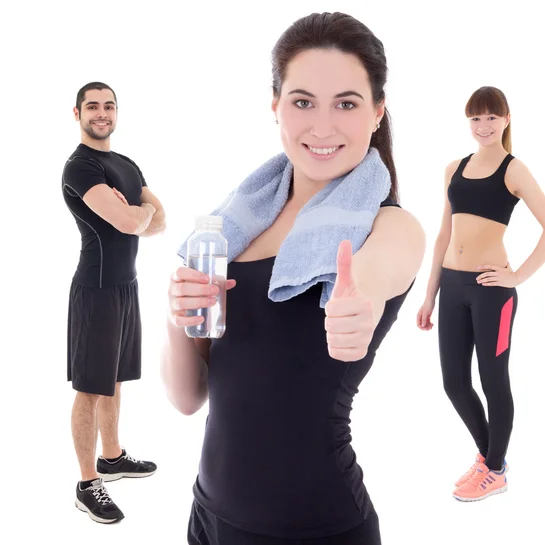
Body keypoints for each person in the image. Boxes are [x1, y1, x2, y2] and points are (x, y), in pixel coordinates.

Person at [162, 12, 425, 545]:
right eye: (303, 101)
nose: (322, 126)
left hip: (316, 529)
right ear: (276, 107)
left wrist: (360, 306)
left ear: (377, 112)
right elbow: (188, 399)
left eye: (346, 104)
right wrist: (176, 317)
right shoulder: (234, 225)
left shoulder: (388, 226)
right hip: (208, 519)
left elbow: (374, 276)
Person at [417, 86, 545, 502]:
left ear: (506, 119)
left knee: (493, 381)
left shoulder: (513, 169)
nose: (483, 126)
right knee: (454, 382)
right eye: (475, 118)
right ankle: (490, 458)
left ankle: (494, 469)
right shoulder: (454, 168)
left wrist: (516, 277)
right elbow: (444, 233)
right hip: (451, 285)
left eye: (491, 117)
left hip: (491, 292)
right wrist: (430, 294)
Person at [62, 82, 165, 523]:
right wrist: (139, 216)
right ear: (77, 113)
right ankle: (88, 483)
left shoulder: (124, 163)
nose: (101, 113)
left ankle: (113, 457)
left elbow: (160, 220)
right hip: (97, 290)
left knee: (115, 379)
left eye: (108, 106)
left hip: (127, 286)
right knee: (90, 388)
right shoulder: (80, 167)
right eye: (92, 106)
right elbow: (131, 219)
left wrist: (139, 217)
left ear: (116, 112)